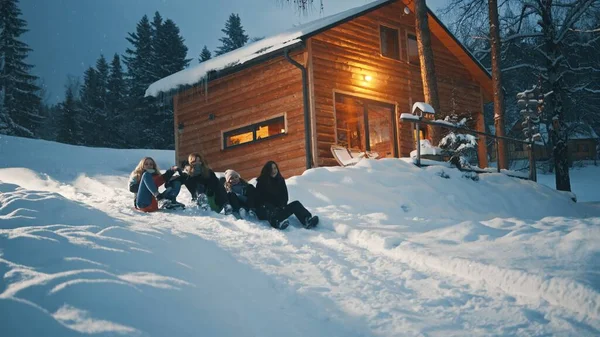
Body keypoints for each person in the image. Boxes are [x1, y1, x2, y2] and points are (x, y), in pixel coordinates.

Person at [255, 161, 319, 229]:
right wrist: (269, 206)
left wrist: (282, 206)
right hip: (265, 210)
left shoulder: (280, 180)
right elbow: (259, 199)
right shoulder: (262, 182)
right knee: (269, 209)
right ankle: (277, 223)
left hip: (278, 209)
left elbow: (285, 196)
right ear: (267, 170)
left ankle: (307, 220)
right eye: (271, 169)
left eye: (275, 168)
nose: (273, 171)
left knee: (296, 204)